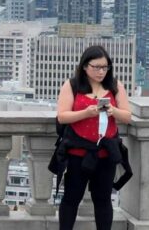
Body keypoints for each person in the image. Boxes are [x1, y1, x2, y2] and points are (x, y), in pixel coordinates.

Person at [56, 45, 132, 230]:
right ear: (84, 66)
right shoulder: (72, 85)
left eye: (105, 67)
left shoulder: (114, 85)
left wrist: (113, 111)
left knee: (103, 199)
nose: (101, 72)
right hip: (77, 153)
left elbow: (127, 116)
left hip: (106, 153)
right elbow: (62, 116)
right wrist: (86, 113)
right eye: (96, 67)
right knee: (71, 198)